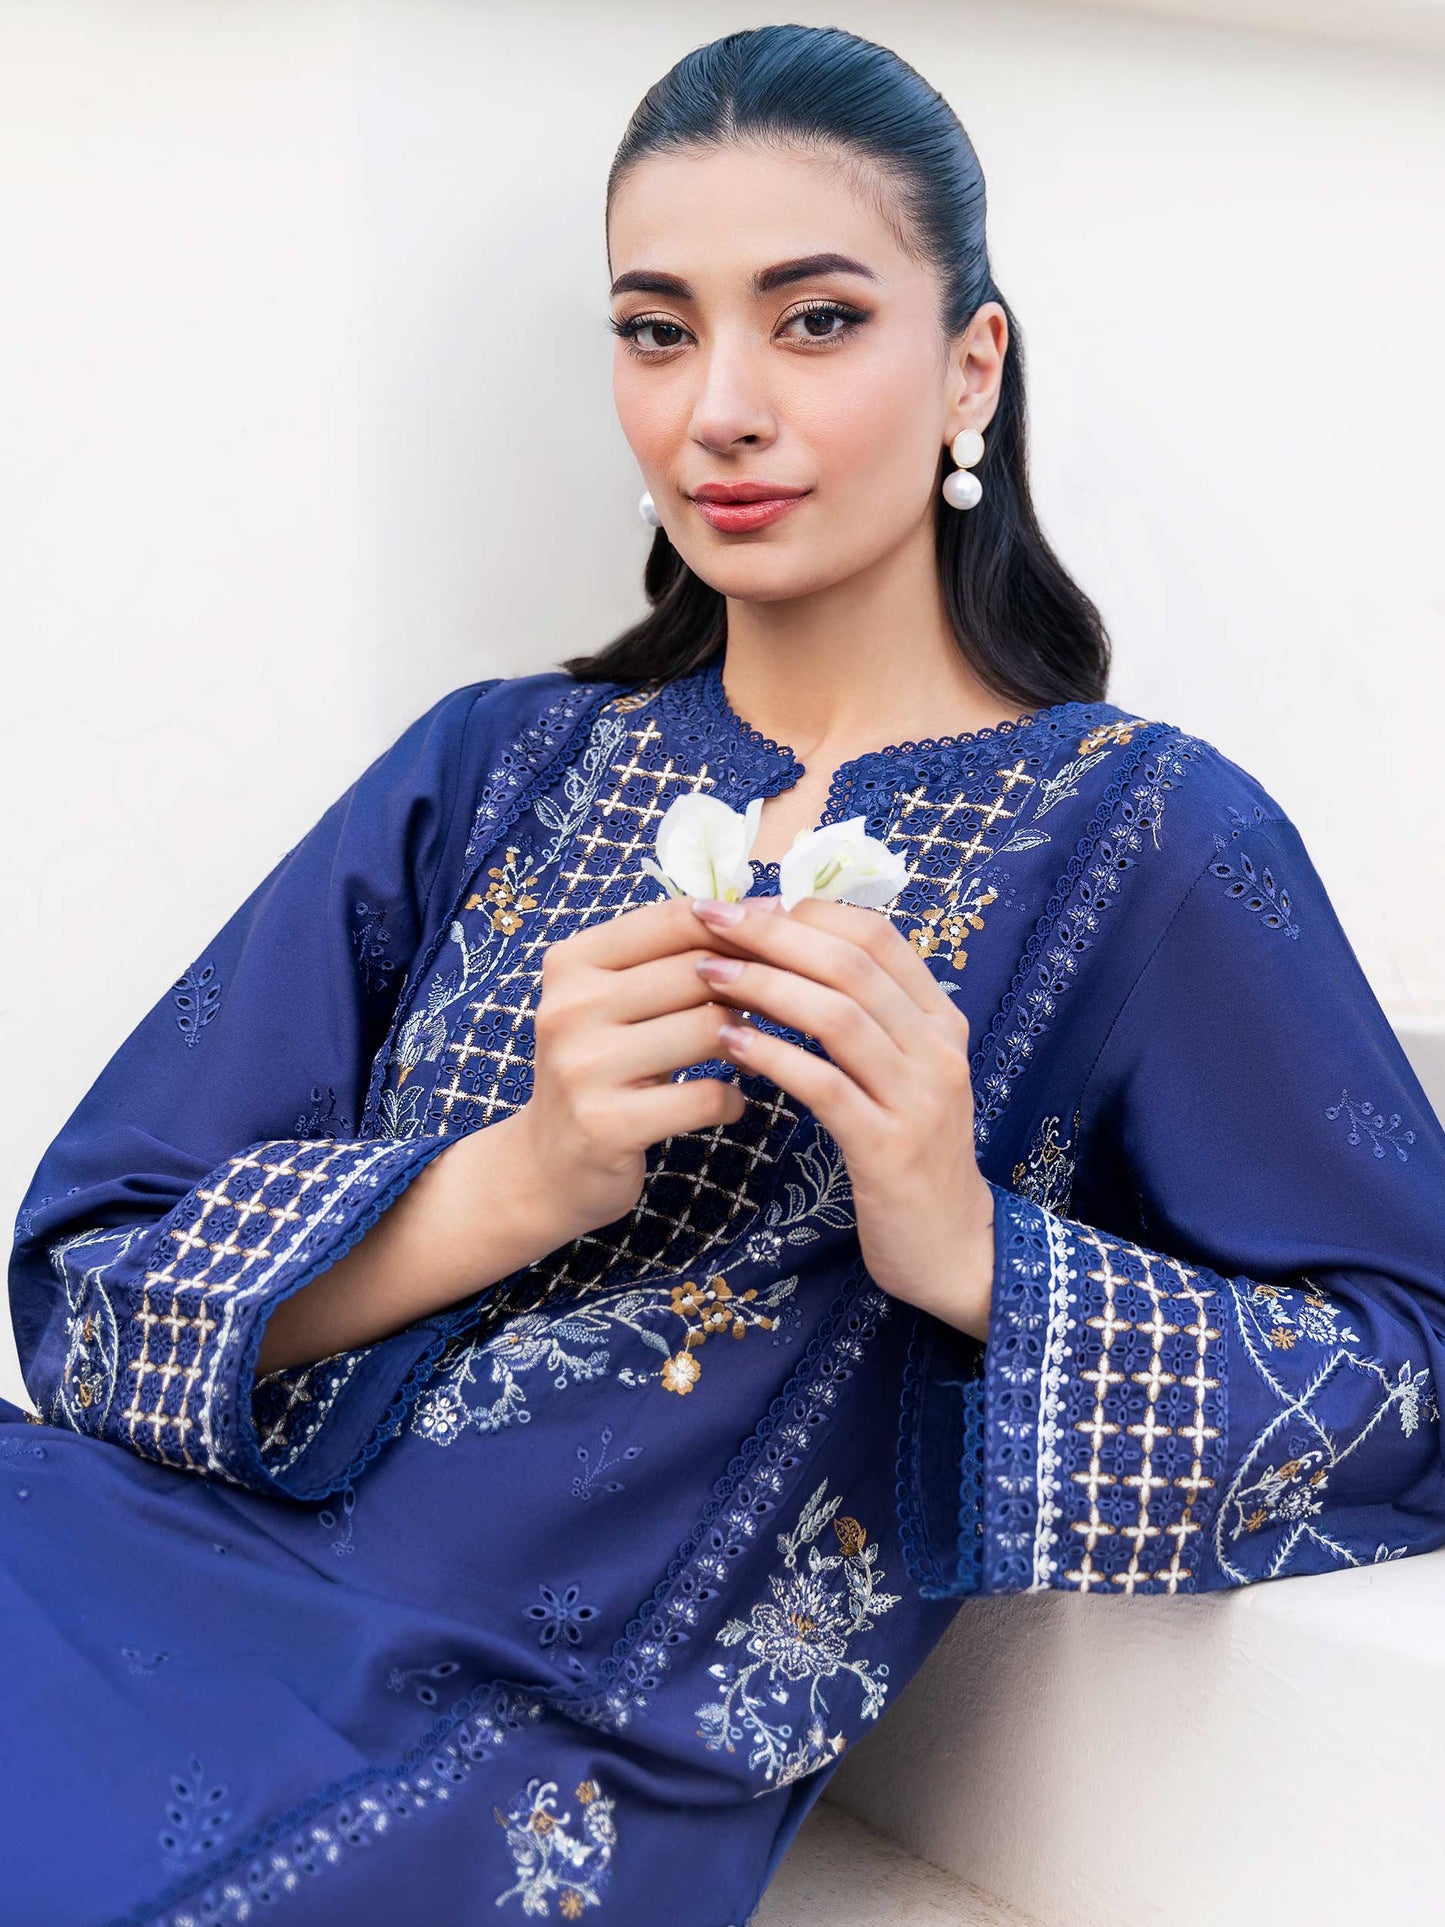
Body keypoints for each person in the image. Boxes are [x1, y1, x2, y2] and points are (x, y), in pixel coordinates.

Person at [4, 23, 1442, 1927]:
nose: (719, 411)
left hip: (520, 1741)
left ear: (971, 365)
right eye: (655, 330)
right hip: (118, 1568)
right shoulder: (493, 770)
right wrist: (516, 1180)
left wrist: (963, 1244)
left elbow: (1414, 1372)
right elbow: (85, 1282)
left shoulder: (1144, 841)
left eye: (815, 321)